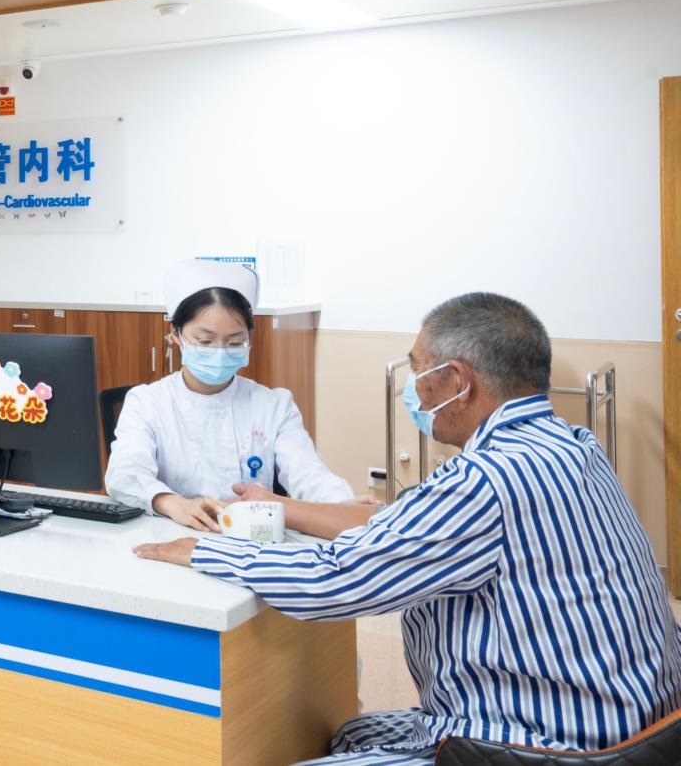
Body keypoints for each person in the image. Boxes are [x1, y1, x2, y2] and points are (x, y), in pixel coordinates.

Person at [134, 292, 681, 764]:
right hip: (634, 719)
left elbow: (334, 581)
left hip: (549, 746)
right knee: (351, 733)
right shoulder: (573, 443)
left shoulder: (483, 480)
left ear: (457, 381)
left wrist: (204, 552)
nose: (413, 389)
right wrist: (284, 507)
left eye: (419, 372)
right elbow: (408, 523)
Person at [106, 260, 355, 530]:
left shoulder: (274, 405)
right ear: (176, 334)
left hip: (253, 538)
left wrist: (345, 508)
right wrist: (171, 502)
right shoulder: (147, 402)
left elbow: (308, 473)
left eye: (235, 342)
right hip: (173, 533)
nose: (220, 352)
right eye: (205, 341)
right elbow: (125, 474)